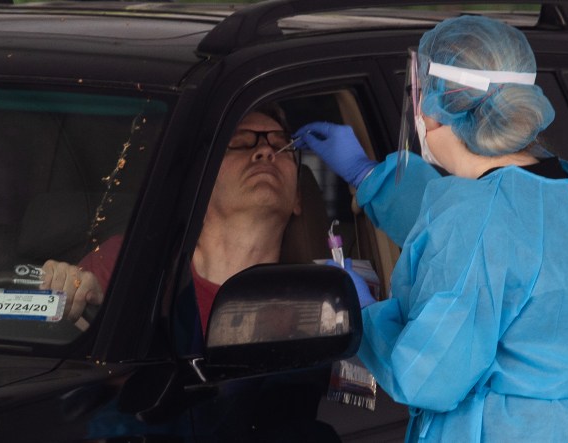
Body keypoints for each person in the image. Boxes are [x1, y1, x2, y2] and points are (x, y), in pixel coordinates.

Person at [294, 15, 568, 443]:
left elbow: (428, 376)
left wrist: (365, 315)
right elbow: (490, 249)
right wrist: (366, 175)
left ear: (433, 105)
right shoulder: (563, 186)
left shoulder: (475, 217)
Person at [40, 103, 343, 442]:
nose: (264, 152)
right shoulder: (127, 267)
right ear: (199, 184)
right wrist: (64, 294)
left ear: (298, 197)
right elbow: (60, 381)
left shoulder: (322, 304)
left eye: (280, 144)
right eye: (241, 141)